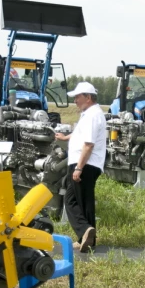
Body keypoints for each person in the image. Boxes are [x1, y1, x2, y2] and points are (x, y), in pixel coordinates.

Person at [55, 82, 106, 253]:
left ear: (89, 97)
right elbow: (81, 135)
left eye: (78, 97)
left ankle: (84, 231)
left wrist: (78, 168)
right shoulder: (90, 114)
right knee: (82, 201)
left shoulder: (92, 116)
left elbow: (89, 144)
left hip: (84, 163)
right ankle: (87, 238)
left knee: (72, 201)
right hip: (85, 163)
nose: (75, 100)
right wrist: (65, 137)